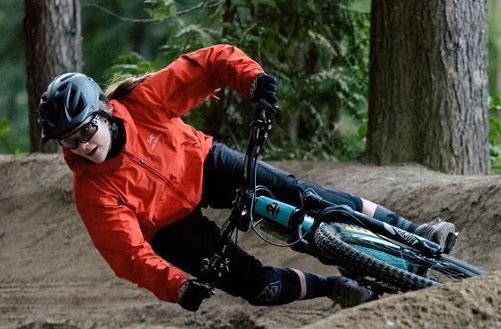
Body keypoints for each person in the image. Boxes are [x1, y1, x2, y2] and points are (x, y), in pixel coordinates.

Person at [38, 44, 456, 312]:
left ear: (105, 111)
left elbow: (206, 65)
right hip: (169, 226)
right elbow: (128, 255)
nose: (81, 145)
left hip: (202, 164)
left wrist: (251, 78)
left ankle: (413, 231)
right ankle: (334, 286)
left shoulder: (143, 101)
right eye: (69, 141)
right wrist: (177, 286)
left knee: (300, 196)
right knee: (259, 288)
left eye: (86, 130)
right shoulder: (91, 190)